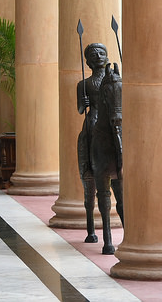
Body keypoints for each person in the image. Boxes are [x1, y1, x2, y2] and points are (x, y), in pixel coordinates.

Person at [76, 43, 109, 244]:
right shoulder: (84, 83)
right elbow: (80, 109)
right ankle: (88, 166)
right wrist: (85, 103)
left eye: (101, 53)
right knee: (87, 136)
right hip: (93, 119)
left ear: (107, 57)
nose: (98, 56)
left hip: (110, 119)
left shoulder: (113, 79)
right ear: (88, 61)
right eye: (93, 54)